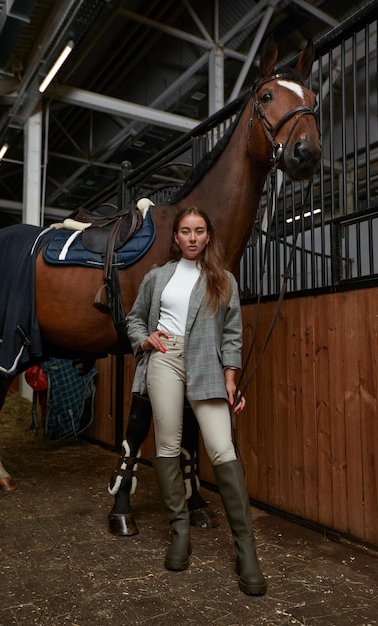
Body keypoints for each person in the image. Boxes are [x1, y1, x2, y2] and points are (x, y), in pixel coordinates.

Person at [125, 206, 267, 596]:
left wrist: (231, 379)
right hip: (164, 361)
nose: (191, 237)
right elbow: (134, 319)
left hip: (207, 363)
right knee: (168, 445)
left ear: (208, 236)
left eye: (199, 231)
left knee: (222, 449)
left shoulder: (223, 280)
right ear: (175, 237)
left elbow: (233, 334)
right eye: (185, 231)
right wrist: (145, 339)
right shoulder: (157, 278)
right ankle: (180, 532)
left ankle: (246, 551)